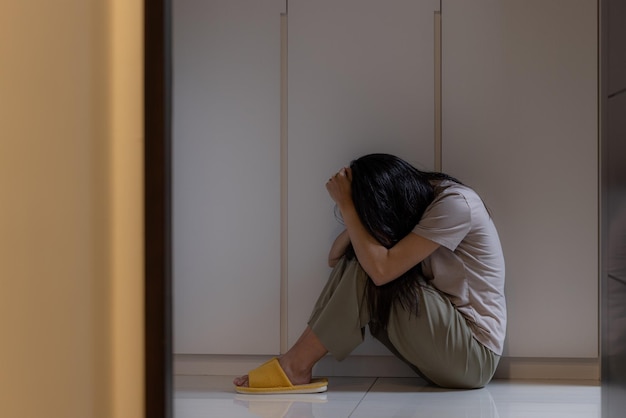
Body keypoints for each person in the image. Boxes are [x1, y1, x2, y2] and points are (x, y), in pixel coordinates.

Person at [234, 153, 506, 393]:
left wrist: (347, 206)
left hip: (473, 357)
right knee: (362, 260)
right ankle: (294, 364)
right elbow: (335, 257)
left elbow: (381, 271)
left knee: (373, 269)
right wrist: (352, 208)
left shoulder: (455, 204)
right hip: (445, 356)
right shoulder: (415, 208)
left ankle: (294, 366)